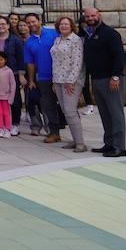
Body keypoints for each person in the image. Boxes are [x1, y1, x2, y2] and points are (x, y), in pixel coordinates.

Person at [81, 7, 126, 157]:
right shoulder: (90, 34)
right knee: (105, 114)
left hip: (110, 79)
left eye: (93, 15)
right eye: (87, 16)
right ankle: (109, 143)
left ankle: (119, 147)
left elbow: (119, 56)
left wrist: (115, 76)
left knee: (115, 113)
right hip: (96, 79)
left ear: (99, 15)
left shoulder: (110, 33)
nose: (90, 18)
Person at [48, 17, 87, 152]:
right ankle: (75, 139)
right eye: (61, 24)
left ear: (71, 26)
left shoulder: (76, 40)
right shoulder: (57, 40)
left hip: (71, 81)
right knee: (66, 111)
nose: (63, 26)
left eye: (66, 24)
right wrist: (54, 80)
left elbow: (78, 62)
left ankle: (81, 143)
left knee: (70, 111)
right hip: (58, 80)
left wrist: (71, 81)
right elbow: (55, 62)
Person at [24, 13, 61, 141]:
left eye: (33, 21)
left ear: (39, 21)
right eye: (28, 23)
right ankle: (54, 133)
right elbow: (30, 63)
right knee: (48, 106)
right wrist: (31, 80)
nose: (31, 24)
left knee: (67, 107)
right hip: (44, 78)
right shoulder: (29, 42)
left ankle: (76, 136)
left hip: (60, 76)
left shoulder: (54, 33)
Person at [0, 15, 26, 135]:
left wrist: (21, 74)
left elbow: (21, 58)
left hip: (12, 73)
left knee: (14, 100)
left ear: (8, 25)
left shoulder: (15, 40)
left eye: (3, 24)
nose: (1, 26)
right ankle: (2, 126)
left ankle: (15, 124)